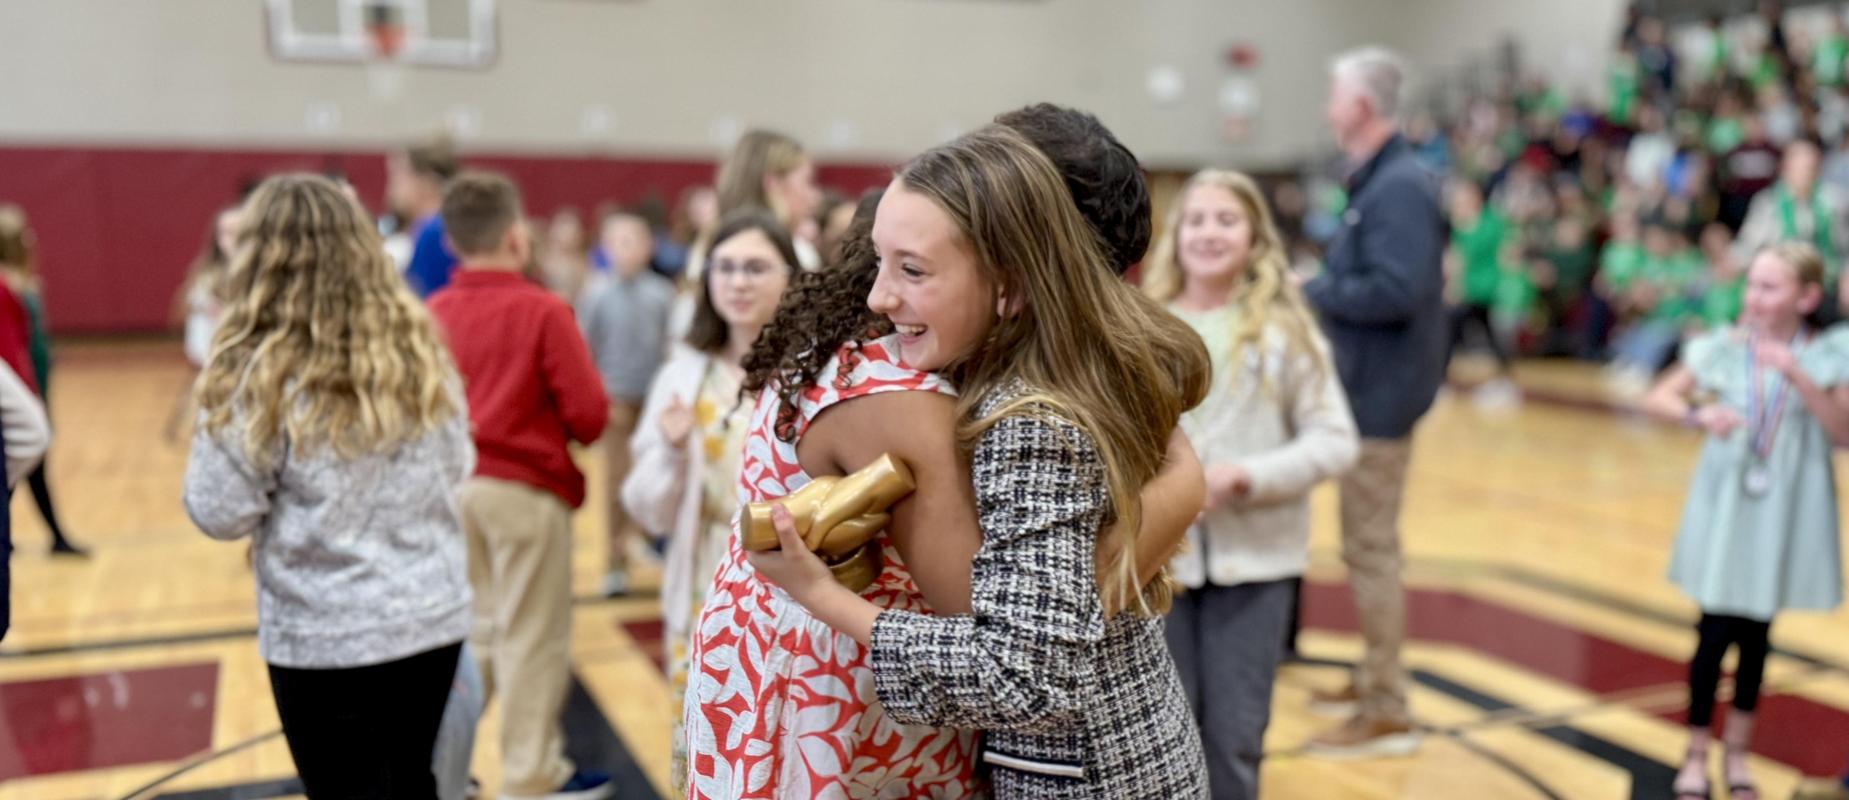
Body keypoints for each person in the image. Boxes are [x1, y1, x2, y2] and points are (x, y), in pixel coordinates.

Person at [684, 106, 1204, 799]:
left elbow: (1020, 665)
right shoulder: (937, 379)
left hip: (1078, 758)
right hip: (858, 708)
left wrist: (821, 598)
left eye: (912, 267)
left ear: (1015, 270)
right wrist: (1180, 485)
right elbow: (1030, 647)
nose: (879, 292)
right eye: (880, 260)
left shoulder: (1014, 406)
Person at [182, 174, 473, 797]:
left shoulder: (253, 368)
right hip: (429, 616)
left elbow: (218, 509)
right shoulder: (418, 347)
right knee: (410, 781)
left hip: (322, 634)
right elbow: (458, 461)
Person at [1142, 169, 1359, 799]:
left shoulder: (1286, 331)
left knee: (1234, 735)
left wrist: (1247, 477)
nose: (1209, 232)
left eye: (1227, 220)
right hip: (1163, 565)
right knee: (1167, 733)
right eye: (1197, 219)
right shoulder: (1147, 329)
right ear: (1175, 234)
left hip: (1257, 567)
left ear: (1255, 238)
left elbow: (1335, 439)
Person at [425, 172, 615, 800]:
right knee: (531, 638)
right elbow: (588, 415)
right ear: (516, 236)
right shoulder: (542, 309)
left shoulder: (431, 314)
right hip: (524, 491)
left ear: (451, 243)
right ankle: (532, 777)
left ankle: (437, 765)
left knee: (475, 633)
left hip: (454, 491)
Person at [1641, 242, 1848, 800]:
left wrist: (1799, 376)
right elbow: (1657, 396)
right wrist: (1697, 414)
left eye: (1768, 287)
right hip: (1729, 507)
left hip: (1782, 513)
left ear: (1805, 297)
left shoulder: (1829, 353)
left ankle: (1737, 754)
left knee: (1758, 637)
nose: (1753, 297)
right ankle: (1694, 753)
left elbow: (1843, 432)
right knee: (1711, 634)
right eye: (1751, 284)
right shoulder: (1725, 348)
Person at [619, 210, 796, 797]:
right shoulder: (683, 376)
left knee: (782, 742)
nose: (738, 282)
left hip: (793, 587)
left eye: (755, 267)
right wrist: (669, 453)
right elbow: (646, 511)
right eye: (725, 267)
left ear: (792, 277)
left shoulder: (811, 372)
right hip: (705, 581)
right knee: (705, 740)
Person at [1301, 46, 1447, 757]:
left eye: (1334, 96)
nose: (1328, 109)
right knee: (1366, 546)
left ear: (1359, 107)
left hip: (1381, 400)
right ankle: (1370, 677)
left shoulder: (1398, 188)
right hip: (1367, 392)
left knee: (1369, 549)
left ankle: (1386, 703)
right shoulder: (1380, 180)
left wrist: (1314, 289)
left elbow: (1398, 290)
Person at [580, 211, 675, 597]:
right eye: (618, 241)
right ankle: (615, 562)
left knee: (660, 475)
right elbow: (586, 349)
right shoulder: (596, 294)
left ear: (648, 247)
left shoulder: (663, 294)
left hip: (655, 401)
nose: (627, 249)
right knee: (617, 482)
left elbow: (672, 348)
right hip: (617, 400)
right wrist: (602, 394)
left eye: (634, 240)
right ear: (605, 247)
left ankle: (657, 545)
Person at [0, 206, 83, 555]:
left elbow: (32, 337)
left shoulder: (26, 280)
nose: (32, 238)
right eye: (24, 233)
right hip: (18, 382)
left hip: (34, 376)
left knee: (32, 457)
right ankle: (56, 536)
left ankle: (53, 536)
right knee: (30, 453)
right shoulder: (6, 284)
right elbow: (10, 344)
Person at [390, 135, 462, 297]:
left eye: (401, 176)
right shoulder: (423, 229)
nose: (392, 187)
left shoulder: (435, 231)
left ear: (428, 182)